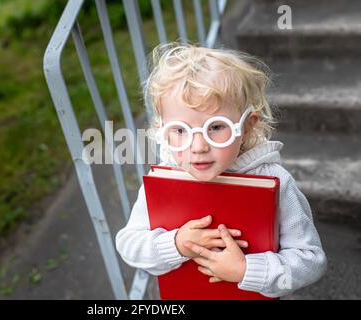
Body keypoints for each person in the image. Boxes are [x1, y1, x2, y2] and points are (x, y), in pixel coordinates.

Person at [115, 43, 327, 298]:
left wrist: (247, 270)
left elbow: (311, 260)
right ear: (163, 130)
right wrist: (177, 244)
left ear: (247, 127)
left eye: (216, 127)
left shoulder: (275, 181)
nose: (198, 146)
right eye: (180, 130)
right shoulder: (166, 177)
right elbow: (128, 244)